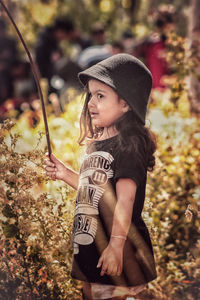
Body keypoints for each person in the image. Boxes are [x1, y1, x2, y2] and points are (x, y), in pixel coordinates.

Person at [45, 53, 157, 300]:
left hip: (118, 252)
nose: (90, 103)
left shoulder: (129, 146)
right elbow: (94, 191)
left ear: (126, 103)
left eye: (100, 96)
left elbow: (125, 200)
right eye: (90, 95)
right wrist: (65, 174)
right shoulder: (97, 145)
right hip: (92, 251)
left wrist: (116, 245)